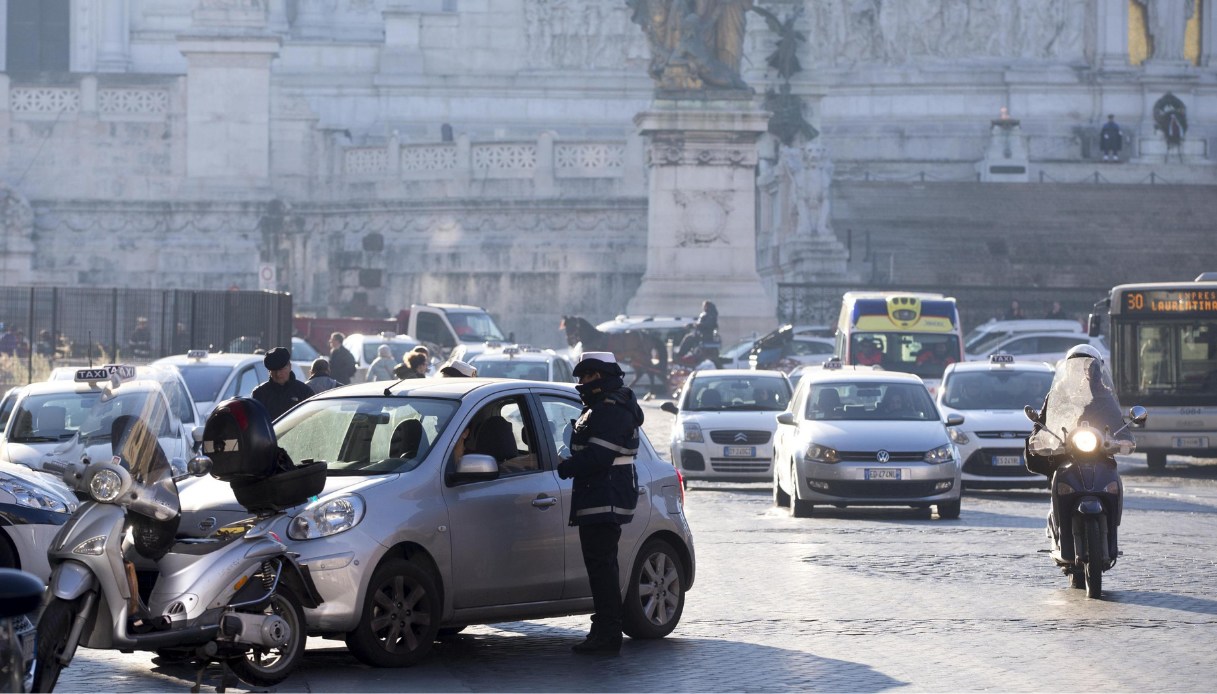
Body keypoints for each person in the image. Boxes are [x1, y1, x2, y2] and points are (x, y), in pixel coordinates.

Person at [555, 351, 643, 655]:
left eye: (587, 377)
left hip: (604, 497)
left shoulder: (611, 408)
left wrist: (566, 467)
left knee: (602, 569)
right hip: (601, 496)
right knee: (602, 567)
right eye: (580, 378)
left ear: (602, 376)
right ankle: (604, 629)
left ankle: (607, 634)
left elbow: (599, 456)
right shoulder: (606, 405)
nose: (582, 383)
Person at [251, 347, 314, 420]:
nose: (278, 374)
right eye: (274, 371)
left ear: (289, 367)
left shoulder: (304, 392)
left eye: (281, 369)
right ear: (269, 371)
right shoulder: (260, 393)